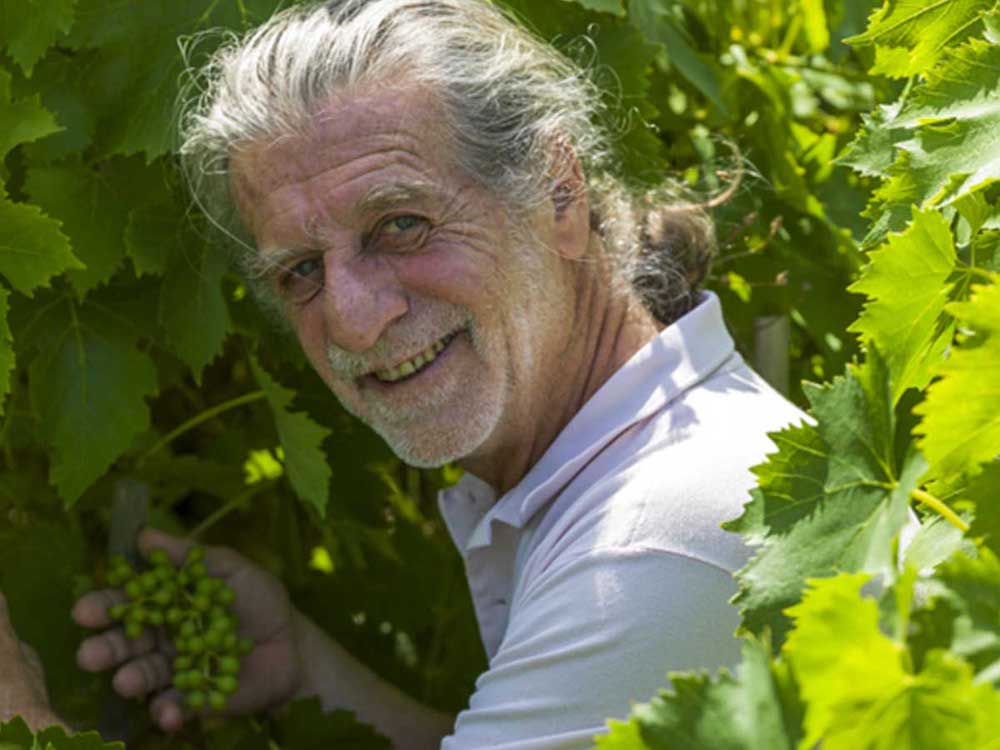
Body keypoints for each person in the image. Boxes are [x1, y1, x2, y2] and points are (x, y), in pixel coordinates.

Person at [0, 0, 806, 746]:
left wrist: (21, 722)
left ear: (558, 193)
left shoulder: (653, 544)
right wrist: (317, 676)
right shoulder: (662, 471)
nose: (353, 318)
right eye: (301, 272)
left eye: (401, 225)